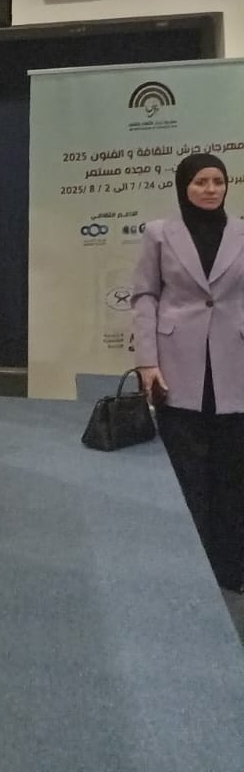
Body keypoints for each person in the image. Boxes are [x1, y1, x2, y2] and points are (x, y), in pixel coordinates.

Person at [133, 152, 244, 591]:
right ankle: (190, 570)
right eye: (201, 182)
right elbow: (144, 296)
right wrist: (147, 361)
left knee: (233, 473)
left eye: (218, 181)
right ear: (184, 186)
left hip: (235, 365)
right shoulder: (159, 234)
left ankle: (231, 567)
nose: (210, 189)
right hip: (177, 366)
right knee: (187, 474)